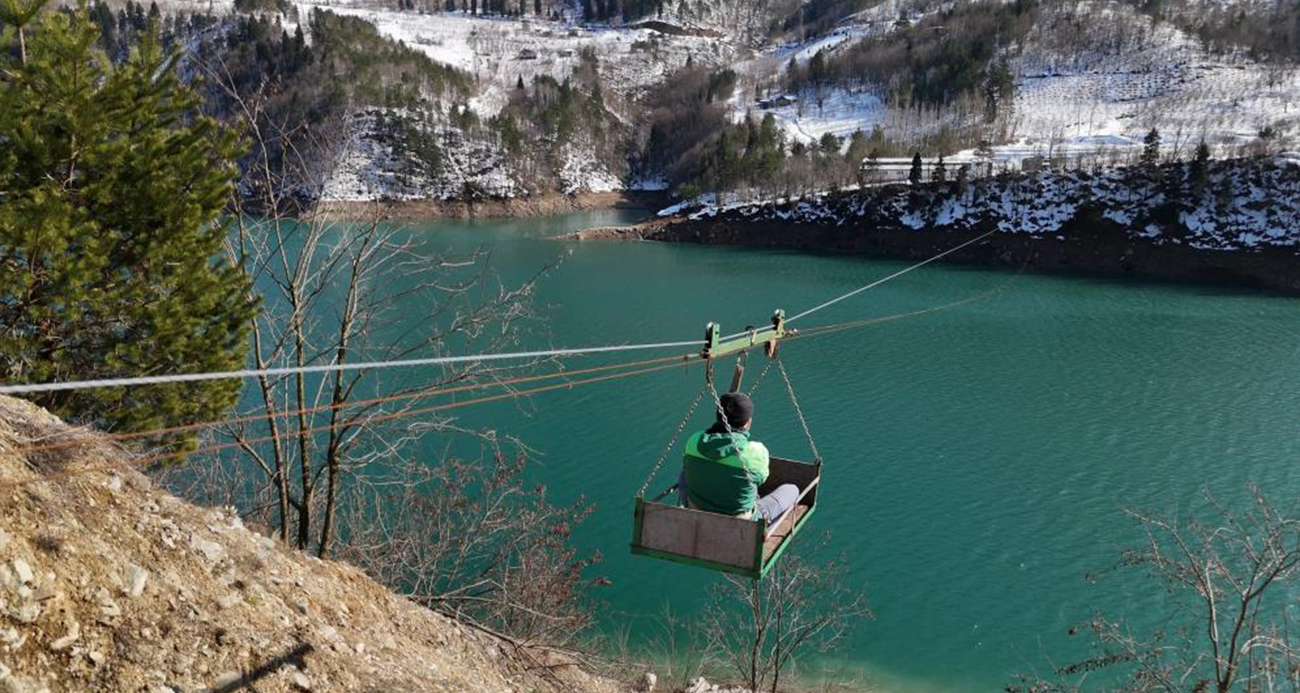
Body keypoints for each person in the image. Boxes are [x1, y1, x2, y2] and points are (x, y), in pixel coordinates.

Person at [680, 392, 800, 523]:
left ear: (718, 416)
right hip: (741, 521)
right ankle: (765, 527)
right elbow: (761, 480)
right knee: (792, 489)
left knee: (684, 473)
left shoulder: (694, 441)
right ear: (748, 422)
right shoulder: (755, 451)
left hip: (697, 509)